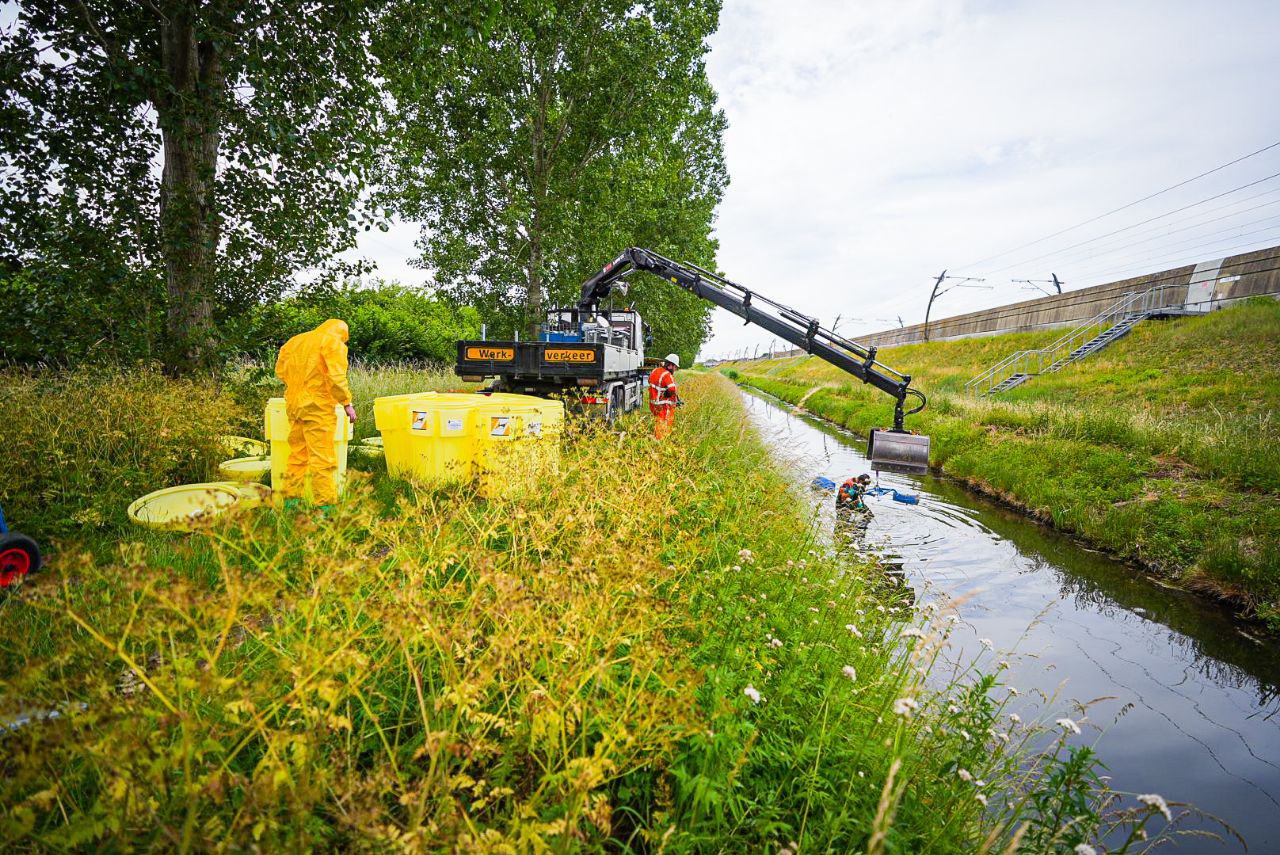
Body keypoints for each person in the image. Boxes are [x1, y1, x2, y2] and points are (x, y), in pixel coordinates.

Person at [275, 319, 357, 509]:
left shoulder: (295, 341)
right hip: (317, 407)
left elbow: (280, 372)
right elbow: (336, 378)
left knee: (297, 455)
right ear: (342, 335)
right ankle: (326, 507)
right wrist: (347, 403)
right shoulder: (332, 342)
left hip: (294, 404)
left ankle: (290, 503)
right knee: (322, 457)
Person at [648, 353, 681, 439]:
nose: (675, 369)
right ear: (671, 365)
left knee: (658, 423)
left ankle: (657, 440)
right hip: (664, 406)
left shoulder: (654, 371)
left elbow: (650, 382)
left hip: (653, 405)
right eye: (675, 367)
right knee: (664, 426)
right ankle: (661, 444)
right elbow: (672, 389)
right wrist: (667, 394)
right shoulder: (667, 375)